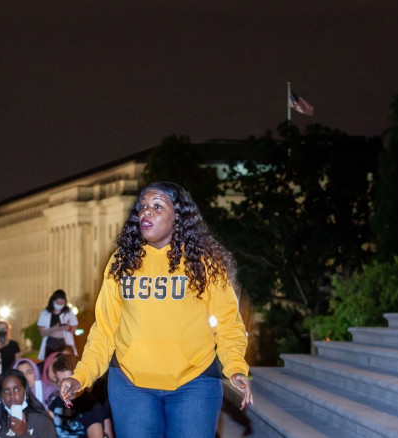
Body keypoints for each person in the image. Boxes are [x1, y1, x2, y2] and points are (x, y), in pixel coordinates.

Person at [59, 181, 253, 438]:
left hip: (195, 383)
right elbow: (105, 330)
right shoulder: (121, 262)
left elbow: (228, 323)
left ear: (178, 217)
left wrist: (235, 367)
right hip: (131, 385)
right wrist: (81, 376)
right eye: (143, 206)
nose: (146, 212)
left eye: (157, 206)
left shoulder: (205, 262)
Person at [0, 369, 56, 438]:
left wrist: (24, 434)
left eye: (17, 389)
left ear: (25, 391)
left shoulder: (41, 420)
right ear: (1, 395)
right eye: (6, 391)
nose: (12, 396)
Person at [49, 354, 104, 438]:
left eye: (67, 382)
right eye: (60, 382)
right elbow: (46, 423)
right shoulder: (57, 401)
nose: (63, 387)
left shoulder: (91, 406)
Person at [37, 290, 78, 361]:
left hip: (64, 342)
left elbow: (74, 329)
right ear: (53, 301)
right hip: (51, 342)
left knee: (65, 361)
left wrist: (68, 328)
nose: (60, 305)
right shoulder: (45, 313)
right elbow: (42, 333)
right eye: (58, 303)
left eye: (62, 303)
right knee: (50, 362)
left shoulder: (68, 311)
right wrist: (54, 328)